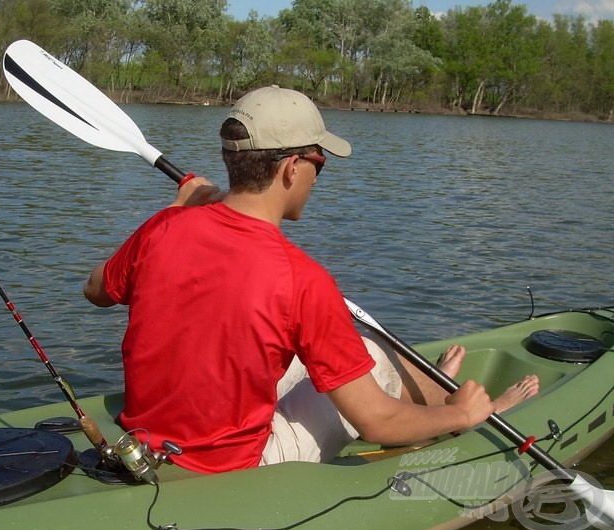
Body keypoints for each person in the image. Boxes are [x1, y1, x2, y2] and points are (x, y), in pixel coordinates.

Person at [84, 86, 539, 474]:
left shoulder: (162, 229)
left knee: (351, 351)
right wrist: (464, 412)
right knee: (374, 362)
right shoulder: (301, 278)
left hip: (149, 438)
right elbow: (376, 423)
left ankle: (429, 397)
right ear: (290, 169)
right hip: (237, 465)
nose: (318, 176)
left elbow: (96, 290)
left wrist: (178, 209)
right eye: (319, 163)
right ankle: (461, 412)